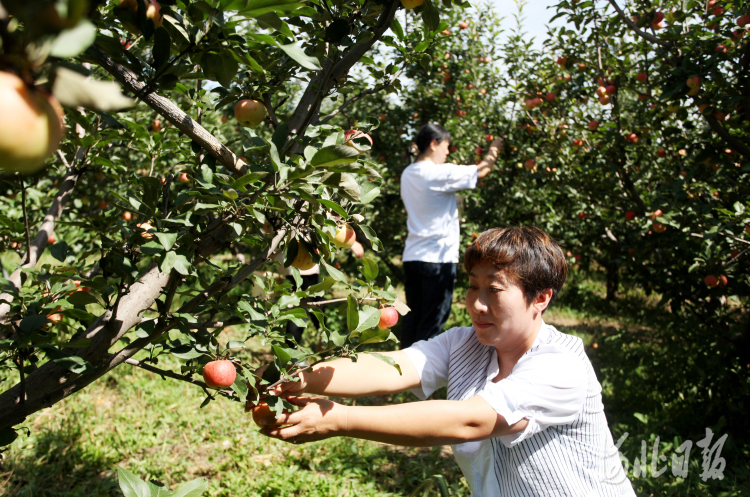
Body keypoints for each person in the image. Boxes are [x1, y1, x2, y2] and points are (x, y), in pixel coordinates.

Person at [250, 227, 636, 497]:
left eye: (495, 290)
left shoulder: (560, 364)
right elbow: (396, 365)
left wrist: (340, 419)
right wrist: (298, 378)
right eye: (472, 286)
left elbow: (469, 420)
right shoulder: (465, 343)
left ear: (541, 299)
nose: (477, 304)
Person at [400, 123, 503, 348]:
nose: (448, 152)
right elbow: (483, 169)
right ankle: (421, 377)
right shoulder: (438, 173)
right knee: (432, 321)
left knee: (413, 315)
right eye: (446, 146)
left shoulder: (408, 173)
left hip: (413, 256)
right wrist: (494, 148)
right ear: (434, 143)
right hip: (437, 258)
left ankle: (403, 373)